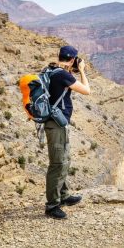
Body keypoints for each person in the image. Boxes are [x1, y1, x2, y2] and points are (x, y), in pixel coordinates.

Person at [44, 45, 90, 219]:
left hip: (56, 122)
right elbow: (87, 90)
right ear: (72, 60)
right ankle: (52, 205)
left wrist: (72, 69)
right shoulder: (63, 75)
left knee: (64, 159)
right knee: (57, 163)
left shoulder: (51, 70)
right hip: (55, 124)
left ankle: (63, 196)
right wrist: (83, 71)